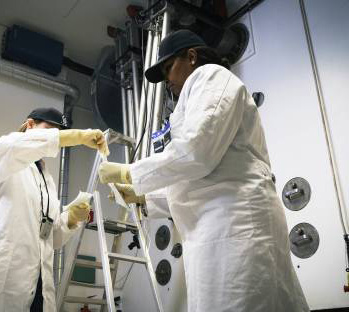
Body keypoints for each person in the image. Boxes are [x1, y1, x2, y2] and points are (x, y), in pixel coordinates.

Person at [98, 30, 309, 312]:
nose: (168, 82)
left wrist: (131, 173)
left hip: (236, 224)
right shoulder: (191, 101)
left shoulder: (209, 76)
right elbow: (191, 181)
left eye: (169, 68)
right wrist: (143, 198)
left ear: (192, 57)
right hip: (216, 228)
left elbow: (195, 151)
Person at [0, 108, 109, 312]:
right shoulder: (5, 153)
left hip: (36, 286)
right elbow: (20, 145)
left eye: (58, 132)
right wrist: (77, 136)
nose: (53, 136)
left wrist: (71, 218)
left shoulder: (48, 180)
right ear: (30, 125)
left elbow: (51, 239)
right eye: (49, 129)